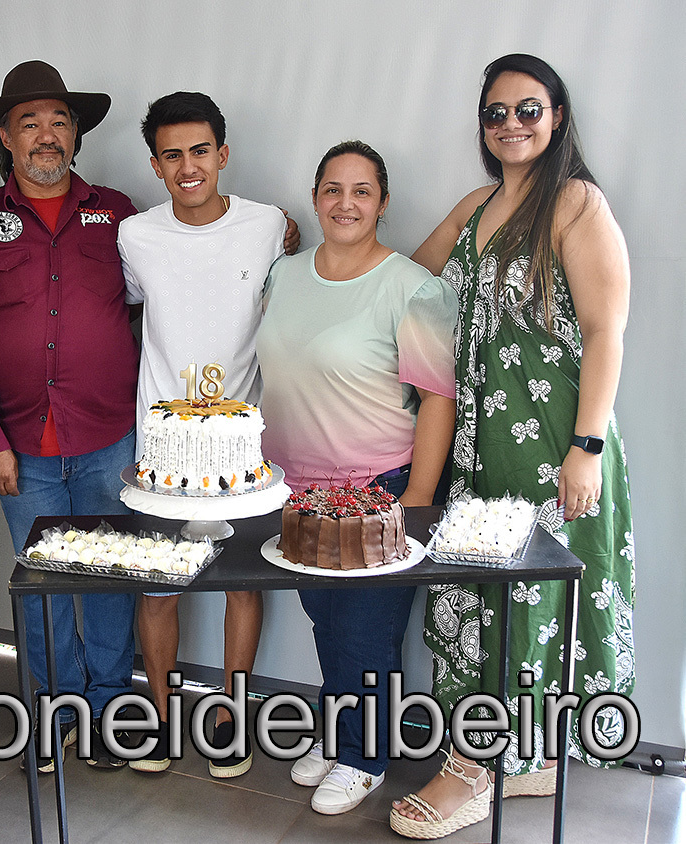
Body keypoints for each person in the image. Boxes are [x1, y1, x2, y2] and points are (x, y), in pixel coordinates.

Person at [390, 54, 634, 839]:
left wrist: (585, 447)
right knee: (481, 595)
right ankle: (514, 759)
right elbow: (407, 281)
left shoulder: (575, 203)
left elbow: (604, 330)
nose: (510, 125)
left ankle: (474, 770)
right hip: (476, 445)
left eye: (527, 109)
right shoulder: (476, 205)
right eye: (494, 113)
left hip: (553, 441)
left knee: (532, 602)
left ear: (556, 116)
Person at [0, 60, 138, 770]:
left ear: (76, 135)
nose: (46, 135)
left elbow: (179, 269)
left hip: (109, 436)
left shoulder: (117, 212)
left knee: (110, 575)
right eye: (30, 122)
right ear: (6, 137)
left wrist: (269, 235)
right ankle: (58, 707)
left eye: (59, 121)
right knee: (42, 584)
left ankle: (110, 707)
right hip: (20, 444)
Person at [257, 141, 458, 815]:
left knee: (366, 632)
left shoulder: (413, 288)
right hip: (296, 492)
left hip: (379, 488)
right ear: (316, 198)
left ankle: (364, 757)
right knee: (325, 620)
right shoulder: (284, 275)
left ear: (382, 202)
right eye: (333, 190)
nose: (346, 203)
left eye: (361, 191)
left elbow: (437, 398)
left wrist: (418, 499)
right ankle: (342, 729)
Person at [117, 91, 288, 777]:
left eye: (199, 151)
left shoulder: (267, 224)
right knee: (158, 587)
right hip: (160, 447)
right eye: (171, 155)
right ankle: (159, 715)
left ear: (222, 154)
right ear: (155, 165)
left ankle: (231, 715)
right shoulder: (135, 235)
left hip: (242, 450)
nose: (187, 167)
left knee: (240, 585)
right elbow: (130, 306)